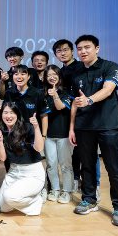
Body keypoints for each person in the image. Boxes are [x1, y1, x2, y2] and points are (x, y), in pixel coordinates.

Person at [69, 34, 118, 227]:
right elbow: (74, 102)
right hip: (83, 126)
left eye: (87, 47)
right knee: (87, 165)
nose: (83, 51)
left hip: (107, 125)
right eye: (79, 48)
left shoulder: (110, 66)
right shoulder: (76, 71)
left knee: (114, 167)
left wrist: (89, 100)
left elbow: (108, 89)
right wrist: (72, 127)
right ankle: (89, 199)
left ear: (97, 48)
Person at [0, 102, 45, 216]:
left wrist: (36, 127)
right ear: (1, 115)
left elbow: (39, 148)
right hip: (13, 172)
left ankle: (35, 201)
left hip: (32, 173)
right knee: (2, 207)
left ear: (17, 114)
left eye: (12, 113)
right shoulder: (1, 131)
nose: (8, 116)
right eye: (5, 112)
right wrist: (0, 141)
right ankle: (25, 198)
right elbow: (2, 158)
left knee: (9, 197)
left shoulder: (27, 127)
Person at [43, 65, 74, 204]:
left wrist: (55, 95)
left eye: (54, 74)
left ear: (59, 76)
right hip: (48, 135)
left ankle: (66, 191)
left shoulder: (66, 92)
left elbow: (60, 106)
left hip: (64, 135)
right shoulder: (43, 93)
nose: (51, 77)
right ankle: (55, 189)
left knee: (65, 165)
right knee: (51, 164)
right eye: (48, 75)